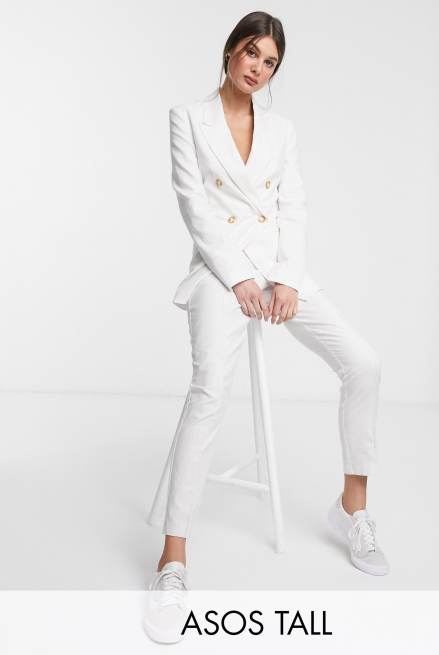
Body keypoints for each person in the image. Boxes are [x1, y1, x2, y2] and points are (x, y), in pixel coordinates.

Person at [143, 10, 389, 645]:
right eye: (251, 52)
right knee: (209, 389)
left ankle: (352, 509)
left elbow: (294, 206)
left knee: (363, 363)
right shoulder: (187, 118)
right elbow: (194, 207)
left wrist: (286, 277)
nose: (258, 68)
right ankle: (173, 558)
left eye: (270, 62)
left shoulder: (282, 130)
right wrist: (238, 278)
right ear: (230, 51)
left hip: (279, 273)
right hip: (218, 273)